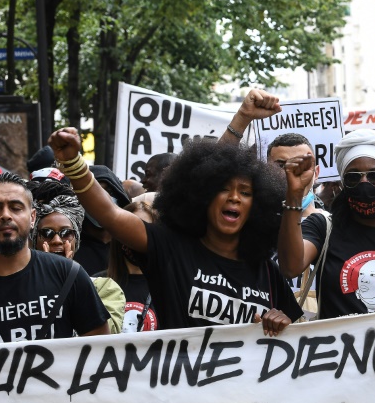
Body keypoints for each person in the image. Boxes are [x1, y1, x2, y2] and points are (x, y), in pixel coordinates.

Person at [48, 126, 302, 335]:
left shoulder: (266, 270)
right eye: (223, 189)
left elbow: (294, 337)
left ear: (257, 205)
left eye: (245, 192)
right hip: (182, 390)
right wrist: (73, 163)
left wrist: (280, 324)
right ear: (202, 196)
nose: (234, 198)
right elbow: (110, 214)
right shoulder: (171, 247)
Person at [277, 129, 375, 320]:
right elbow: (290, 267)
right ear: (344, 184)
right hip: (338, 349)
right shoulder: (323, 227)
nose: (364, 183)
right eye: (353, 177)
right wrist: (294, 197)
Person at [0, 173, 109, 343]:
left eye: (16, 207)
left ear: (32, 218)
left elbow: (101, 352)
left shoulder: (69, 275)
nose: (6, 215)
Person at [30, 183, 125, 333]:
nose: (56, 240)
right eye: (47, 233)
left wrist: (69, 279)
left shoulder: (105, 288)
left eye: (66, 233)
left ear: (77, 240)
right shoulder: (23, 286)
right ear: (35, 240)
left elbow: (105, 339)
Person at [99, 201, 159, 332]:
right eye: (131, 229)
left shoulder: (169, 285)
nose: (137, 237)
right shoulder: (99, 284)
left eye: (145, 230)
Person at [73, 165, 131, 276]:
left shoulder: (129, 244)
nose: (102, 199)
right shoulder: (71, 245)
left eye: (109, 191)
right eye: (94, 193)